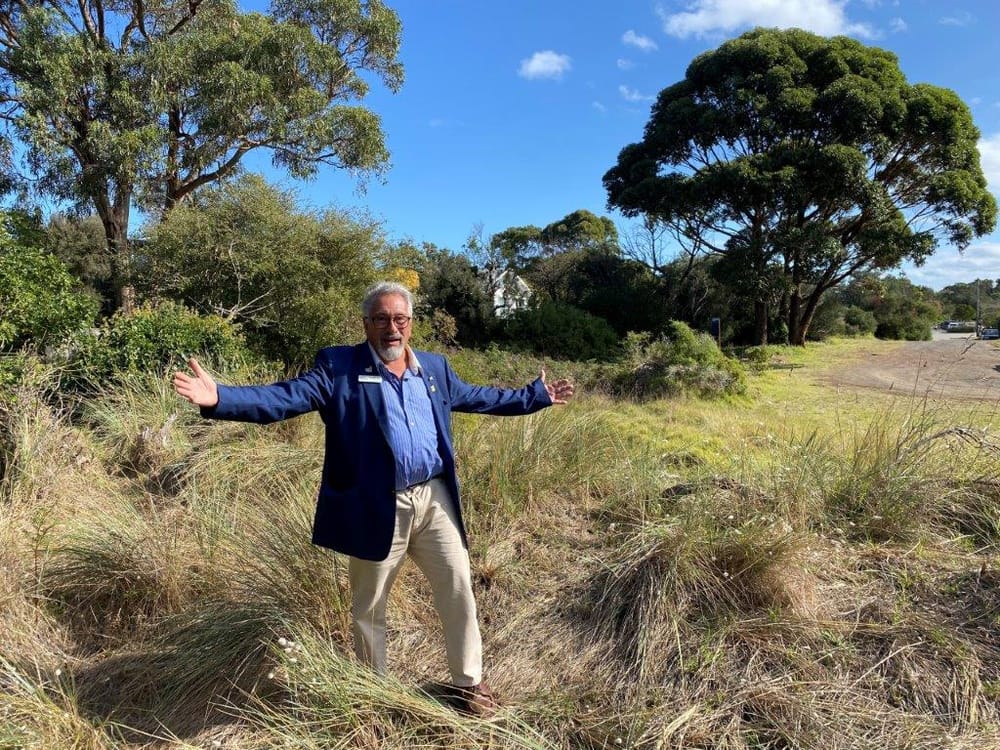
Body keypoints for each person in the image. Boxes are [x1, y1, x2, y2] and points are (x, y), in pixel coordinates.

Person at [173, 281, 574, 717]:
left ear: (411, 324)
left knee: (459, 589)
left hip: (434, 499)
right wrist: (221, 397)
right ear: (366, 323)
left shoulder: (435, 370)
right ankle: (374, 691)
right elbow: (284, 397)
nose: (391, 329)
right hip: (378, 505)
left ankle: (468, 683)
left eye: (399, 319)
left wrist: (536, 396)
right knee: (370, 606)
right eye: (381, 319)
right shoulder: (338, 366)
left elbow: (481, 397)